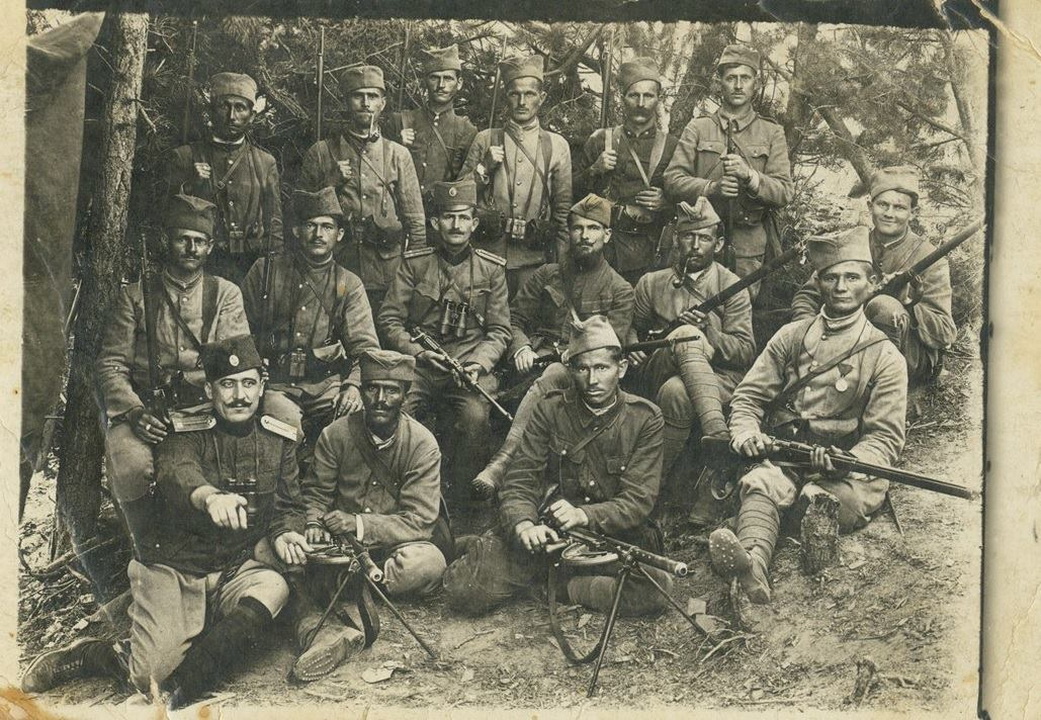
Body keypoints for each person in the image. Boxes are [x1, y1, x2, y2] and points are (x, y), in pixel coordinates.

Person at [22, 335, 311, 710]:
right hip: (176, 566)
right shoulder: (184, 431)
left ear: (261, 387)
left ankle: (179, 691)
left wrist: (286, 532)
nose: (239, 395)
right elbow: (178, 474)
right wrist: (210, 497)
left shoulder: (277, 438)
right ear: (209, 389)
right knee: (147, 674)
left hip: (235, 567)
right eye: (227, 384)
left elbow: (289, 504)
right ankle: (94, 654)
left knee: (274, 586)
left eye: (248, 383)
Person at [710, 226, 907, 604]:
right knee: (761, 484)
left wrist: (848, 462)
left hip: (849, 469)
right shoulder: (792, 336)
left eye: (852, 277)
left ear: (871, 284)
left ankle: (781, 527)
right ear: (817, 282)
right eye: (831, 277)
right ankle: (752, 565)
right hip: (788, 454)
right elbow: (748, 396)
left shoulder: (885, 356)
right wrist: (746, 433)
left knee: (819, 500)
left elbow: (884, 437)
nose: (841, 287)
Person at [442, 315, 671, 618]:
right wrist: (524, 524)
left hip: (610, 535)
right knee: (464, 590)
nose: (593, 380)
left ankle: (562, 587)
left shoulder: (645, 418)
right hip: (547, 533)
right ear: (571, 370)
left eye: (602, 368)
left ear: (622, 368)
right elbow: (520, 479)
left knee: (655, 589)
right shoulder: (550, 409)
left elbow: (637, 500)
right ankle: (501, 556)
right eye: (583, 369)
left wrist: (583, 515)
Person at [95, 194, 250, 560]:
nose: (191, 248)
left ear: (210, 247)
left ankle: (216, 550)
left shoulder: (225, 295)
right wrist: (133, 411)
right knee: (130, 465)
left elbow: (235, 365)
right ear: (167, 240)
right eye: (183, 238)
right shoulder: (135, 297)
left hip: (204, 409)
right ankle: (145, 549)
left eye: (200, 241)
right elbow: (110, 364)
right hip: (146, 412)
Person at [287, 349, 447, 681]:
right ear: (361, 391)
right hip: (339, 545)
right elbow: (316, 493)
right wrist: (314, 522)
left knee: (428, 563)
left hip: (392, 548)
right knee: (290, 548)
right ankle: (348, 588)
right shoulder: (335, 435)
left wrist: (358, 523)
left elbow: (419, 521)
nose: (381, 399)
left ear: (405, 395)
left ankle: (350, 587)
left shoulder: (422, 445)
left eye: (392, 391)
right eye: (373, 388)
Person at [471, 193, 635, 497]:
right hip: (532, 362)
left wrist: (572, 354)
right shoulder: (546, 274)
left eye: (594, 228)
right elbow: (514, 319)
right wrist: (521, 347)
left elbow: (611, 347)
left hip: (581, 373)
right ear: (568, 232)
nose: (585, 236)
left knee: (556, 373)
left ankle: (502, 462)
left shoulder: (620, 290)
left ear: (607, 235)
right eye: (578, 228)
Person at [377, 178, 511, 498]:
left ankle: (464, 499)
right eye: (449, 217)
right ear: (436, 223)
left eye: (464, 217)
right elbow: (389, 319)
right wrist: (417, 352)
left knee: (475, 417)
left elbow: (500, 331)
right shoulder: (415, 263)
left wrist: (478, 364)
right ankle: (400, 491)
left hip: (467, 369)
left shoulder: (491, 269)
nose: (456, 225)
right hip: (421, 367)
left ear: (474, 224)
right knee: (397, 409)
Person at [629, 197, 755, 522]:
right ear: (676, 239)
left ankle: (649, 494)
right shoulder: (651, 283)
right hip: (658, 368)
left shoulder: (732, 286)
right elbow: (631, 329)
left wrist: (710, 334)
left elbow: (745, 350)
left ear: (719, 243)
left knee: (677, 392)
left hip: (718, 378)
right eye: (688, 237)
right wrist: (635, 343)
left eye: (704, 238)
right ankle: (718, 436)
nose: (695, 246)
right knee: (686, 336)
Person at [241, 187, 380, 449]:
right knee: (285, 433)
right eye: (310, 226)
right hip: (276, 386)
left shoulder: (348, 284)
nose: (318, 234)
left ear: (339, 234)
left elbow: (367, 349)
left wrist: (353, 386)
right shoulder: (266, 271)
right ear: (296, 231)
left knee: (353, 434)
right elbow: (240, 333)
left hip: (327, 387)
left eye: (327, 227)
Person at [790, 166, 957, 385]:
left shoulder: (931, 258)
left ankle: (879, 388)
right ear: (870, 206)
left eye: (899, 207)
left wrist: (909, 306)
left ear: (912, 213)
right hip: (846, 343)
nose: (889, 213)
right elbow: (808, 296)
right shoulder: (852, 244)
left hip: (909, 358)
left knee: (884, 307)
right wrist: (806, 331)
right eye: (882, 205)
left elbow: (945, 332)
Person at [663, 44, 793, 297]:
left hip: (747, 247)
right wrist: (711, 188)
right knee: (691, 306)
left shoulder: (771, 132)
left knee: (739, 309)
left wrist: (750, 176)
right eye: (731, 78)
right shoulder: (698, 128)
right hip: (698, 241)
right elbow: (672, 181)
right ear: (719, 83)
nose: (738, 85)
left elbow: (784, 191)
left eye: (745, 78)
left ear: (756, 83)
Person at [299, 64, 426, 309]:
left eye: (373, 96)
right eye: (358, 96)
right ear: (346, 102)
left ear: (383, 103)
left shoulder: (398, 155)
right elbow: (300, 213)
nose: (366, 103)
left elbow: (415, 221)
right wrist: (330, 182)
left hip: (386, 271)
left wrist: (413, 276)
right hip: (335, 266)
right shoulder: (321, 152)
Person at [459, 54, 572, 295]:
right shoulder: (485, 139)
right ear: (505, 96)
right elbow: (459, 197)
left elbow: (562, 214)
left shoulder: (557, 145)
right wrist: (484, 168)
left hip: (534, 261)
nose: (522, 101)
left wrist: (560, 269)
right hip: (487, 258)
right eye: (514, 94)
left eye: (529, 94)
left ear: (541, 98)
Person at [164, 72, 283, 284]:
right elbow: (165, 216)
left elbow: (274, 227)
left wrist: (272, 275)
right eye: (224, 106)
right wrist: (190, 184)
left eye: (240, 107)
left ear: (252, 116)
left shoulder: (265, 163)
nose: (232, 116)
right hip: (199, 269)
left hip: (250, 270)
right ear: (211, 111)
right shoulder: (185, 157)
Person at [572, 56, 679, 285]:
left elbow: (687, 198)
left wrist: (666, 202)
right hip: (603, 251)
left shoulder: (672, 146)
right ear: (623, 98)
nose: (641, 103)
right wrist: (594, 170)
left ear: (658, 99)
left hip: (649, 254)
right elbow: (570, 193)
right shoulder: (600, 140)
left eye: (648, 96)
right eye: (633, 95)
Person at [386, 44, 478, 214]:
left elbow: (466, 182)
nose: (441, 85)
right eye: (434, 78)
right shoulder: (401, 121)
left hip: (442, 215)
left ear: (459, 83)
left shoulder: (467, 130)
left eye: (448, 78)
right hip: (401, 212)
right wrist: (396, 145)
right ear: (425, 81)